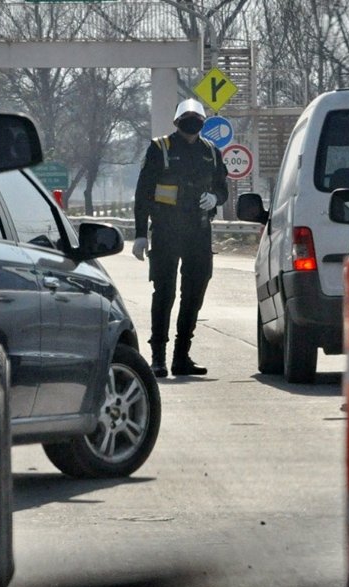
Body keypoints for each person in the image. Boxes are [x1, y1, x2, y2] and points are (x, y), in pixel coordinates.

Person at [132, 98, 229, 378]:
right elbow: (143, 194)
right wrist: (140, 235)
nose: (191, 122)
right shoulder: (160, 148)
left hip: (199, 233)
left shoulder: (211, 152)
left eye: (196, 118)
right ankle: (158, 358)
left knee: (194, 295)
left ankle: (181, 356)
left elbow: (222, 189)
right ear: (177, 121)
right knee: (164, 294)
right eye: (186, 117)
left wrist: (215, 199)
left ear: (202, 122)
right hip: (165, 232)